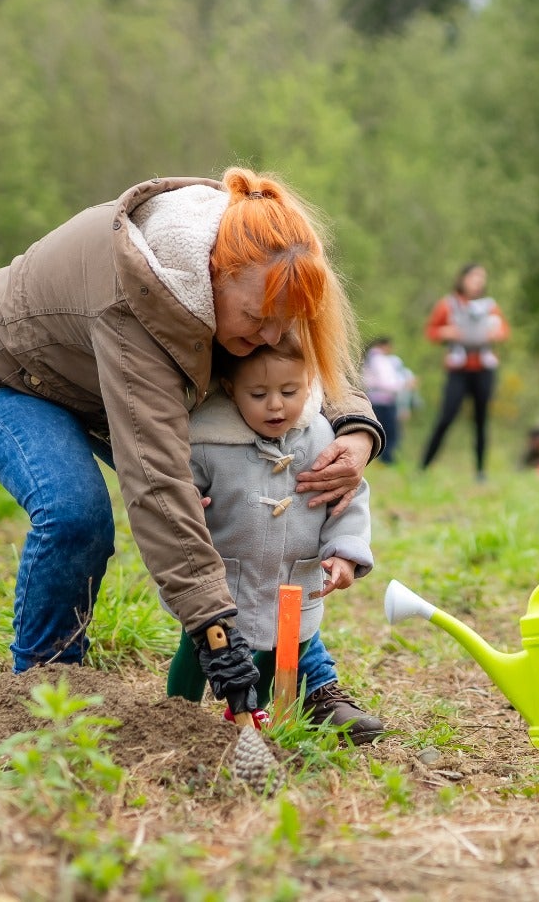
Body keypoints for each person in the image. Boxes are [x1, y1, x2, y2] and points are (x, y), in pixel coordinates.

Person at [0, 168, 384, 723]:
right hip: (9, 376)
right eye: (256, 321)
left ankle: (311, 681)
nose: (271, 339)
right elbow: (158, 484)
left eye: (283, 322)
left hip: (105, 375)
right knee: (76, 514)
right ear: (211, 279)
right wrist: (216, 636)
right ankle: (43, 692)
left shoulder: (259, 262)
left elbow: (312, 362)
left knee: (252, 499)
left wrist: (357, 431)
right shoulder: (137, 302)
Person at [168, 337, 383, 742]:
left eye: (289, 392)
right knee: (199, 648)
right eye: (258, 394)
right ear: (231, 390)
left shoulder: (321, 438)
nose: (276, 406)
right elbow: (177, 487)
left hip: (293, 574)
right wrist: (189, 501)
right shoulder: (206, 439)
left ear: (310, 383)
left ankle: (254, 713)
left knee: (277, 650)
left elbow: (347, 501)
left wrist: (345, 553)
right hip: (226, 575)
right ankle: (177, 713)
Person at [419, 264, 508, 479]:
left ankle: (480, 472)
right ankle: (423, 467)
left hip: (483, 370)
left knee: (481, 420)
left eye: (482, 277)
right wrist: (445, 332)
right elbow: (431, 331)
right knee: (446, 417)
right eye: (474, 276)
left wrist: (496, 334)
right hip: (458, 370)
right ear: (463, 279)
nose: (478, 281)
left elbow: (504, 330)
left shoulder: (489, 307)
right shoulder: (448, 305)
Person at [361, 337, 413, 465]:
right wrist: (403, 384)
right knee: (389, 432)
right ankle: (386, 460)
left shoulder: (369, 359)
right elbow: (387, 382)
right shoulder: (379, 360)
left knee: (377, 431)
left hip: (372, 400)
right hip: (384, 400)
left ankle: (377, 459)